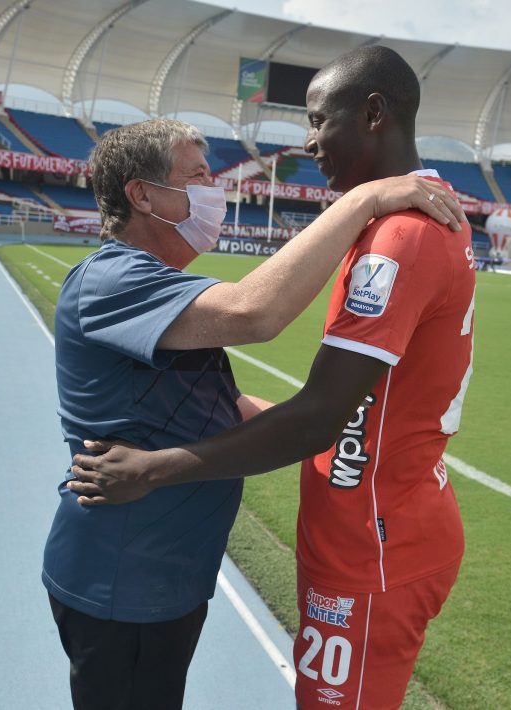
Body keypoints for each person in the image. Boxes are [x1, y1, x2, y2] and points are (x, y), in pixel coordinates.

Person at [68, 46, 475, 710]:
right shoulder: (393, 221)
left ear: (373, 113)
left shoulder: (401, 234)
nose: (309, 140)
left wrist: (154, 468)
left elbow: (319, 413)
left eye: (320, 120)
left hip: (374, 546)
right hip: (364, 530)